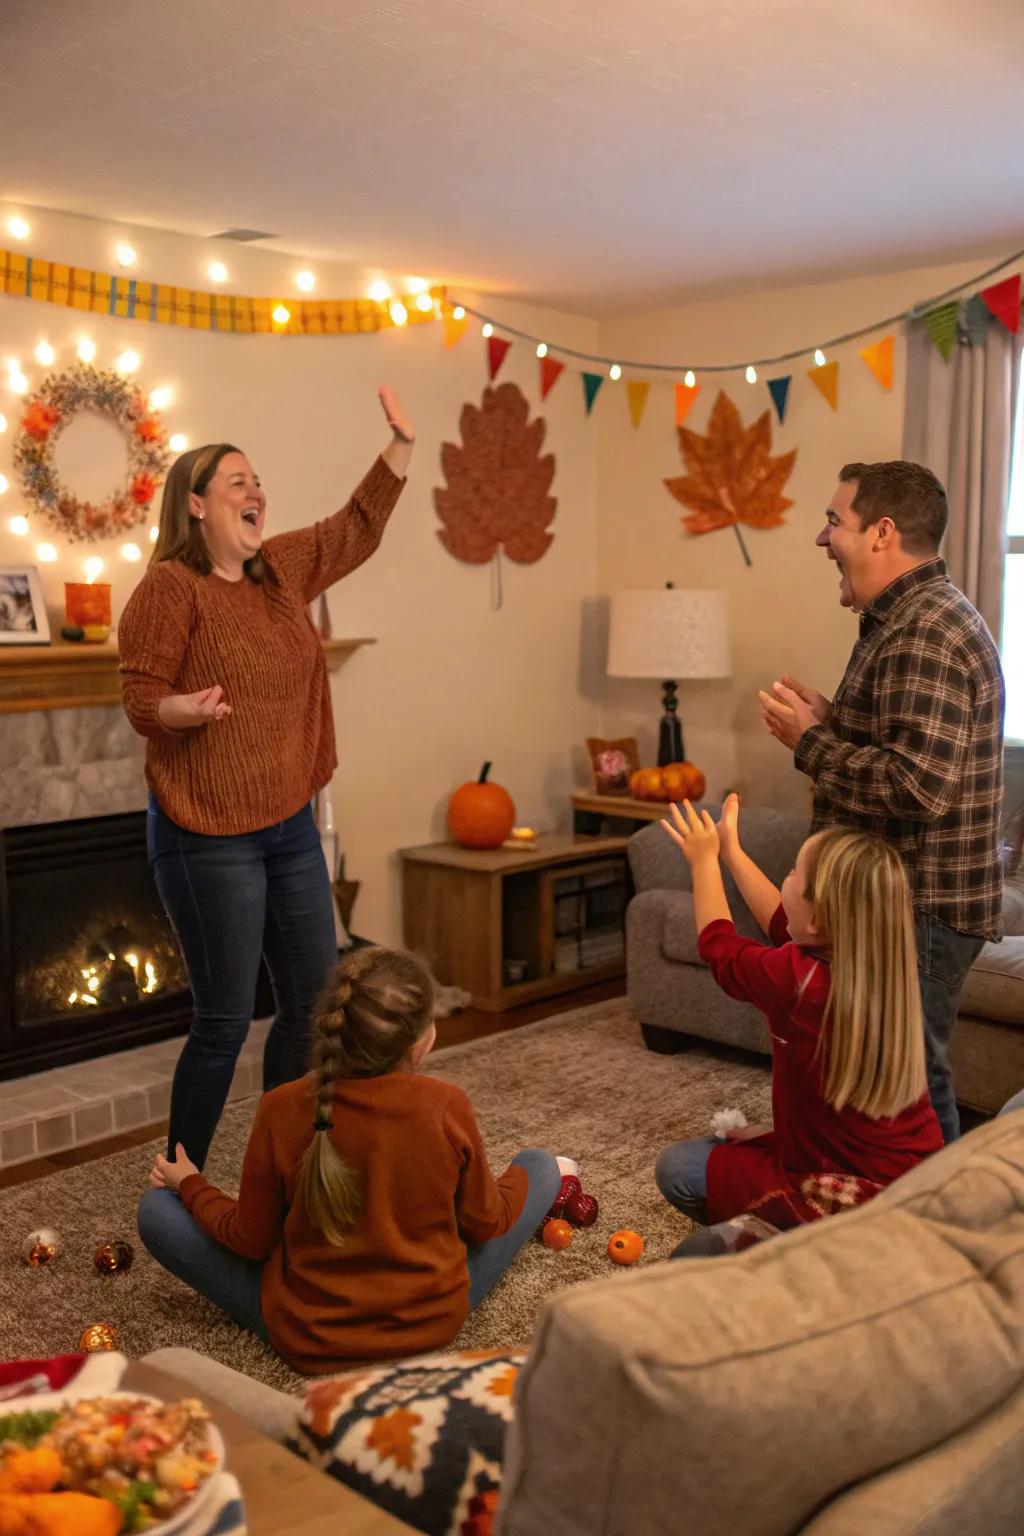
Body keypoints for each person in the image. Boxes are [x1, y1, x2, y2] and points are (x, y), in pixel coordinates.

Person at [118, 386, 414, 1170]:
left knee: (312, 1006)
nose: (258, 494)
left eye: (258, 482)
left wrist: (401, 447)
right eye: (239, 483)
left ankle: (277, 1165)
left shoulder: (278, 569)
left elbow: (355, 529)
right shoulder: (170, 590)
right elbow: (141, 698)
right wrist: (184, 708)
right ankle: (177, 1179)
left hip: (286, 824)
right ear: (196, 505)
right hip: (205, 832)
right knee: (222, 1021)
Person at [137, 946, 561, 1375]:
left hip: (309, 1336)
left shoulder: (280, 1107)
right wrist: (512, 1186)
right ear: (423, 1040)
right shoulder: (447, 1105)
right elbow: (485, 1223)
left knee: (157, 1210)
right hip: (429, 1325)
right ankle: (542, 1172)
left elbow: (250, 1240)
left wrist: (191, 1184)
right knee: (540, 1166)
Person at [758, 461, 1004, 1143]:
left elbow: (915, 787)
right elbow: (910, 749)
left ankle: (933, 1235)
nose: (821, 537)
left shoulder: (925, 630)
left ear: (882, 533)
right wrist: (834, 720)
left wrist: (809, 743)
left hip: (918, 905)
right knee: (909, 1082)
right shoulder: (909, 619)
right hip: (905, 900)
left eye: (835, 521)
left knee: (907, 1091)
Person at [654, 797, 942, 1256]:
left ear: (821, 917)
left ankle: (793, 1249)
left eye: (791, 874)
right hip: (906, 1182)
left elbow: (720, 948)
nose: (784, 878)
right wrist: (733, 851)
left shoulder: (798, 983)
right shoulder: (874, 967)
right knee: (731, 1152)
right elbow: (787, 924)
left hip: (842, 1195)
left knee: (680, 1167)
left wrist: (704, 861)